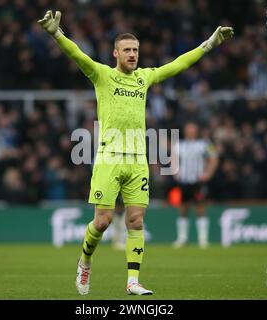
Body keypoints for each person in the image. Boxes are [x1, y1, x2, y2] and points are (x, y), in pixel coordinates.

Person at [38, 10, 233, 296]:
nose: (133, 54)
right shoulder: (102, 75)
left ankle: (132, 281)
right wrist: (57, 34)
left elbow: (178, 65)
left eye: (136, 50)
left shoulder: (144, 78)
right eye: (127, 50)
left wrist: (210, 43)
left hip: (137, 160)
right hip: (109, 158)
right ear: (115, 53)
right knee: (102, 222)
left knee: (136, 220)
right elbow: (78, 56)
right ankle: (85, 261)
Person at [172, 122, 219, 248]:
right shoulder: (179, 145)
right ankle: (182, 238)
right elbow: (173, 159)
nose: (190, 132)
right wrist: (175, 172)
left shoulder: (205, 144)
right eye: (188, 129)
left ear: (196, 131)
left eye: (192, 129)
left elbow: (214, 158)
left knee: (200, 208)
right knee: (183, 208)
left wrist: (208, 174)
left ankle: (203, 239)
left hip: (198, 181)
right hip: (184, 181)